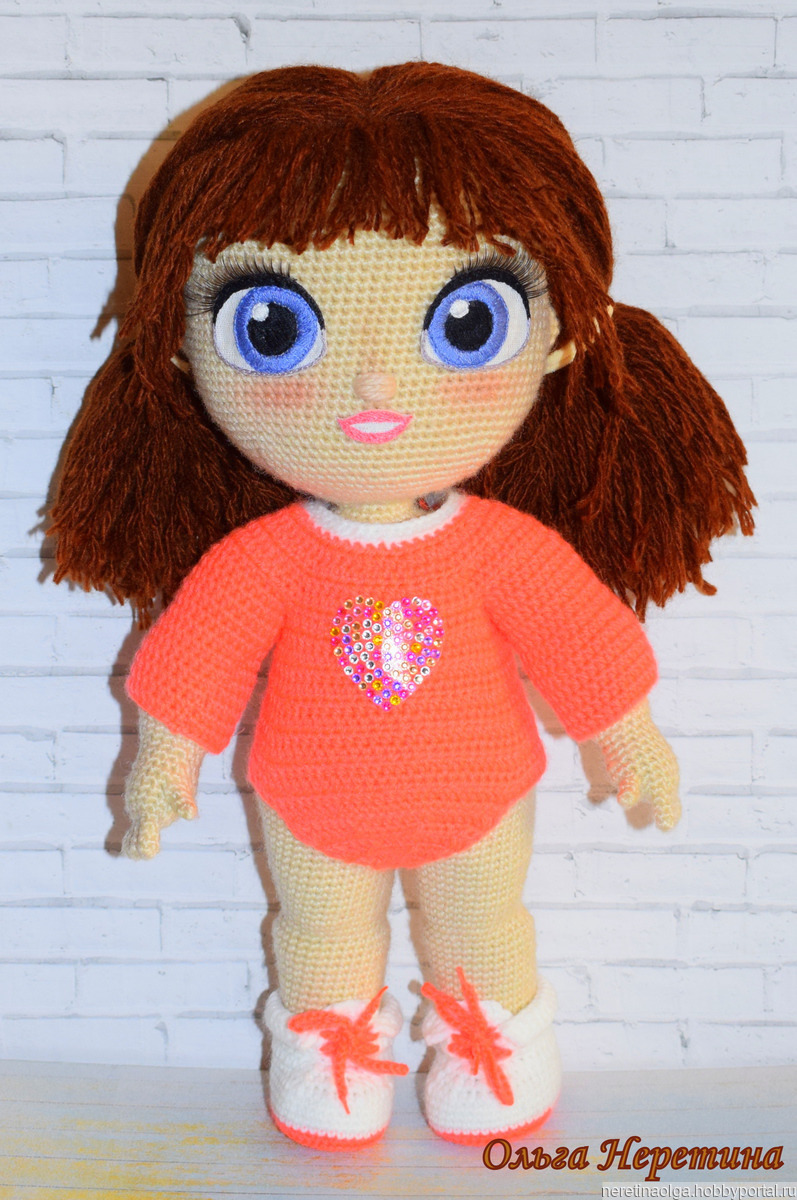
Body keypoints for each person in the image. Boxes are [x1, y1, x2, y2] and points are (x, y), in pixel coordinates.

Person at [51, 63, 754, 1150]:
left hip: (480, 796)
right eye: (275, 328)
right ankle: (328, 1049)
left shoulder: (497, 549)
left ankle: (489, 1046)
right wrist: (162, 762)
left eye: (463, 322)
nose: (375, 384)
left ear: (559, 334)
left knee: (483, 926)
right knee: (319, 936)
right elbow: (197, 659)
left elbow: (579, 640)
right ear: (189, 349)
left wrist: (631, 741)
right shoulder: (266, 559)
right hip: (309, 801)